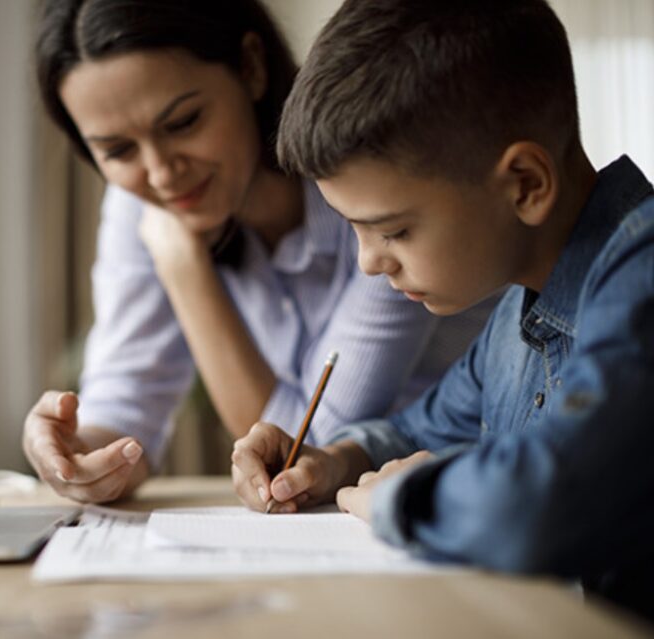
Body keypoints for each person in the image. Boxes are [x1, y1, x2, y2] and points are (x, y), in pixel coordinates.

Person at [230, 0, 654, 620]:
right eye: (354, 229)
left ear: (525, 185)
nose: (368, 263)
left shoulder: (641, 274)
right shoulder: (515, 314)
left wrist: (401, 498)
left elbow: (543, 503)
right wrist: (333, 461)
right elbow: (416, 431)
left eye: (393, 231)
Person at [24, 0, 491, 504]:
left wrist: (184, 268)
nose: (160, 173)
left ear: (250, 67)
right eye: (117, 151)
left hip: (455, 496)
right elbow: (125, 403)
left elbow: (309, 445)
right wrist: (77, 456)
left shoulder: (372, 188)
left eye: (183, 122)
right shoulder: (144, 204)